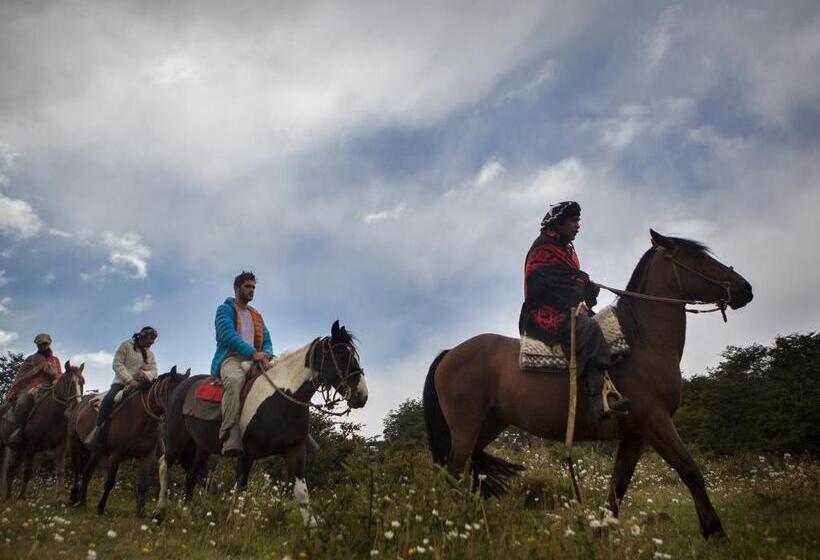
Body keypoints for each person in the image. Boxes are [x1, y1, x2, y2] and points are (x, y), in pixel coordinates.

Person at [518, 201, 630, 420]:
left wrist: (587, 289)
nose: (577, 226)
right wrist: (579, 286)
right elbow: (542, 285)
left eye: (578, 221)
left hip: (568, 307)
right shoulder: (542, 248)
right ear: (558, 223)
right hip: (543, 312)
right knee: (587, 328)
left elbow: (570, 281)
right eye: (572, 221)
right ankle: (600, 400)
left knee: (609, 323)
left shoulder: (566, 250)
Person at [211, 271, 273, 456]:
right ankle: (230, 433)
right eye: (247, 286)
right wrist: (253, 353)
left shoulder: (256, 315)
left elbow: (268, 340)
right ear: (237, 288)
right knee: (235, 381)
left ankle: (297, 430)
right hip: (232, 359)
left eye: (253, 287)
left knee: (283, 374)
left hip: (256, 358)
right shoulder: (224, 309)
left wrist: (267, 354)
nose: (251, 290)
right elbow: (228, 336)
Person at [84, 326, 158, 450]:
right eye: (149, 340)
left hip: (141, 384)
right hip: (121, 383)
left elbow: (154, 370)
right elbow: (117, 364)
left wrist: (145, 374)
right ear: (142, 336)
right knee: (109, 399)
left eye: (152, 342)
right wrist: (130, 380)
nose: (151, 344)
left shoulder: (150, 354)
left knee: (154, 401)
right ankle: (97, 431)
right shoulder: (126, 346)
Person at [7, 333, 63, 447]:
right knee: (22, 403)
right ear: (37, 346)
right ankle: (18, 432)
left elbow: (59, 374)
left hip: (51, 388)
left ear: (49, 344)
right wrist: (15, 390)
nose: (43, 346)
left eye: (45, 344)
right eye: (40, 344)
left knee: (66, 402)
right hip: (31, 389)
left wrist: (57, 379)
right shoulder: (31, 359)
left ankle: (67, 432)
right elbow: (21, 376)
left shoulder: (55, 360)